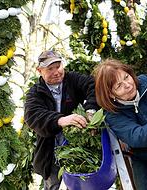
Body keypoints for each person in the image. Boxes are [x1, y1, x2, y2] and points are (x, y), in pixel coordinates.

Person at [93, 58, 147, 190]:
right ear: (111, 94)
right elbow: (138, 137)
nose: (128, 85)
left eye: (127, 77)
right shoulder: (112, 114)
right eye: (118, 86)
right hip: (140, 157)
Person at [24, 50, 99, 190]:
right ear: (40, 70)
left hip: (78, 147)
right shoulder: (35, 93)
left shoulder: (72, 79)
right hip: (50, 151)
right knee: (54, 186)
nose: (56, 72)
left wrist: (91, 110)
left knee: (84, 184)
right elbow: (33, 116)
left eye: (58, 66)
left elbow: (92, 86)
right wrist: (61, 120)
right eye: (50, 69)